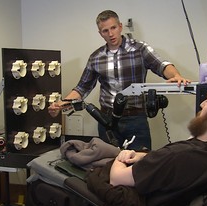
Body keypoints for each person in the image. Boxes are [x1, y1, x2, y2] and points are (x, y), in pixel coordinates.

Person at [48, 10, 190, 150]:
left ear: (120, 26)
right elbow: (82, 88)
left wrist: (176, 76)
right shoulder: (96, 57)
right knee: (108, 165)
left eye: (113, 28)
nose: (110, 34)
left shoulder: (140, 49)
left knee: (139, 165)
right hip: (106, 120)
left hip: (135, 119)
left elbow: (161, 65)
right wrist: (60, 104)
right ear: (100, 33)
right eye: (105, 31)